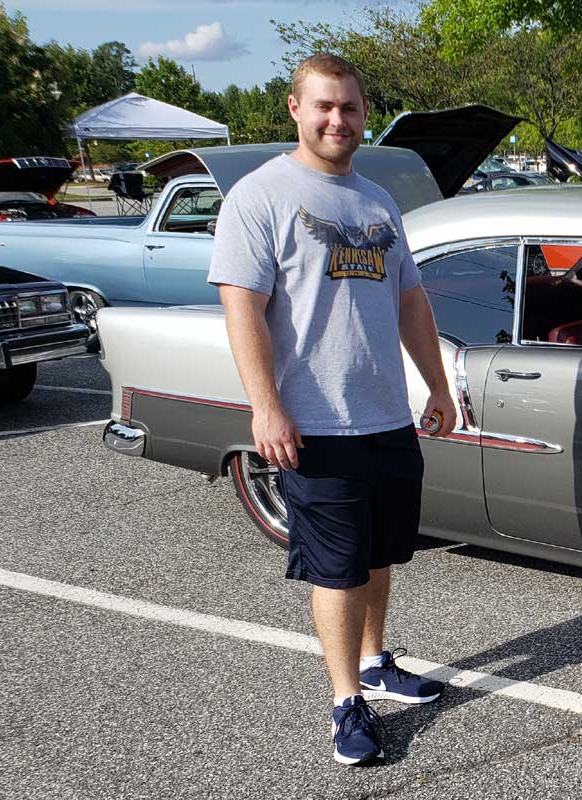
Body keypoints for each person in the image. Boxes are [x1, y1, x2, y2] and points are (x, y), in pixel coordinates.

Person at [207, 52, 457, 766]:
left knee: (381, 554)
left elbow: (410, 299)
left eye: (348, 107)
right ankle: (346, 702)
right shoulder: (260, 197)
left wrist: (435, 386)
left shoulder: (377, 202)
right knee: (338, 569)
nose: (336, 119)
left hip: (385, 415)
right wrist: (266, 407)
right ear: (295, 108)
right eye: (323, 106)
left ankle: (376, 662)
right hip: (315, 423)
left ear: (364, 114)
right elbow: (242, 310)